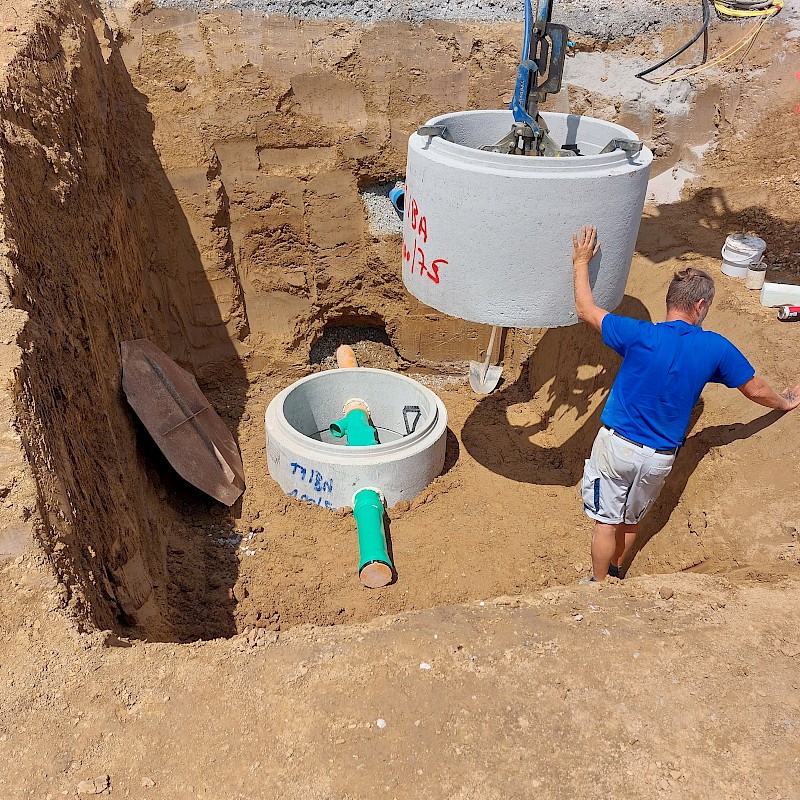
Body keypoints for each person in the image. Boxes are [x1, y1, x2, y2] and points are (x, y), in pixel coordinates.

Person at [572, 225, 800, 582]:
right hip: (659, 458)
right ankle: (615, 574)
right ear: (700, 305)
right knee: (630, 521)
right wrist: (784, 403)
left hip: (617, 448)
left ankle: (597, 585)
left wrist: (580, 262)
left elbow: (586, 310)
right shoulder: (715, 348)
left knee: (606, 522)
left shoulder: (639, 334)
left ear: (670, 301)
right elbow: (755, 389)